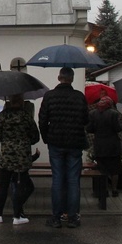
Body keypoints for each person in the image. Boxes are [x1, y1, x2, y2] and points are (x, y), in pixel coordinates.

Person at [38, 67, 89, 229]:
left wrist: (47, 138)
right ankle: (73, 217)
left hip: (56, 142)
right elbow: (86, 120)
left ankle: (56, 217)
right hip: (75, 143)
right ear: (72, 79)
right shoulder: (79, 97)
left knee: (58, 179)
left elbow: (42, 120)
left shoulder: (49, 96)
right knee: (73, 180)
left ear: (59, 77)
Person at [0, 93, 39, 226]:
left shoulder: (3, 116)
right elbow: (35, 137)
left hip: (6, 156)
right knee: (20, 185)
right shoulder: (26, 116)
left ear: (9, 101)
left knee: (3, 185)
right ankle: (17, 216)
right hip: (22, 157)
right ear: (21, 102)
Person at [86, 96, 122, 197]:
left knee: (101, 168)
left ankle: (103, 190)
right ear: (109, 104)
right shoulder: (114, 114)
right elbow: (118, 129)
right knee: (115, 168)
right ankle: (114, 189)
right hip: (113, 145)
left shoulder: (93, 113)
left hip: (99, 145)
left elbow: (89, 129)